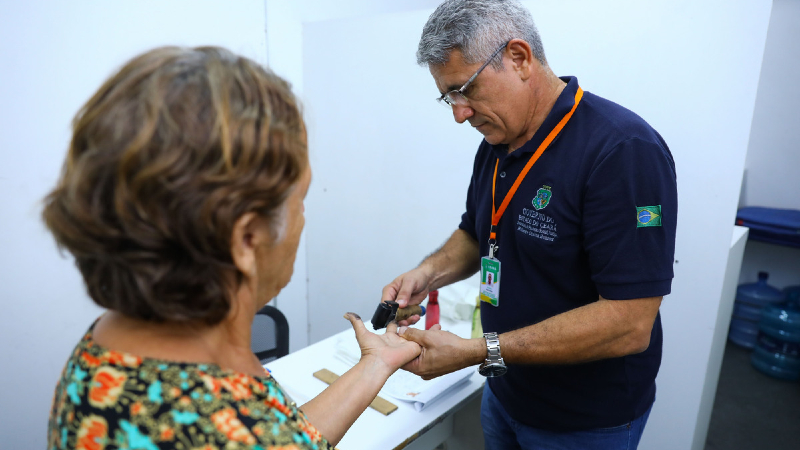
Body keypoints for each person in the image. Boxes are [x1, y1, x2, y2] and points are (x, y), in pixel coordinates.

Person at [43, 46, 421, 450]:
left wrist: (375, 364)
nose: (303, 218)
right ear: (246, 239)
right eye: (301, 199)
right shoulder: (220, 426)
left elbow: (278, 437)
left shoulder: (111, 348)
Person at [381, 1, 678, 449]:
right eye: (449, 97)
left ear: (519, 58)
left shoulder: (622, 151)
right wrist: (427, 274)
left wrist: (481, 351)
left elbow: (630, 322)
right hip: (505, 393)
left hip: (583, 421)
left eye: (465, 90)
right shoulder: (497, 140)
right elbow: (476, 233)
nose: (459, 113)